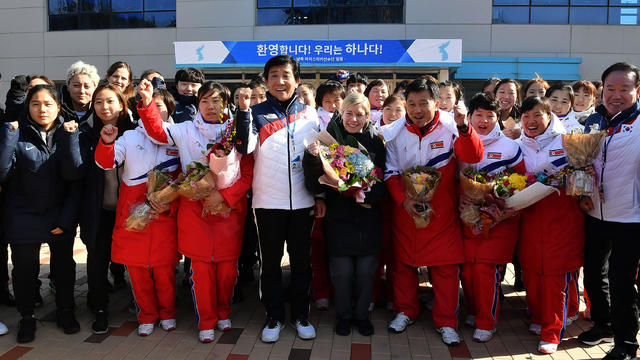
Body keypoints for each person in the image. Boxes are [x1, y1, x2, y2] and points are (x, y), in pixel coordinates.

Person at [139, 79, 253, 343]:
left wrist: (224, 195)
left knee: (227, 272)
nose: (211, 106)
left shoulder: (239, 130)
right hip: (194, 210)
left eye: (217, 100)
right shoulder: (185, 129)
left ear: (226, 103)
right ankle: (207, 320)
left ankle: (224, 312)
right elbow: (157, 132)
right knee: (200, 272)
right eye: (205, 101)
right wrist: (146, 102)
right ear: (197, 104)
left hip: (228, 210)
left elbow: (247, 172)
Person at [383, 78, 483, 346]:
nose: (416, 109)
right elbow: (391, 173)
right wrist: (403, 200)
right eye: (411, 103)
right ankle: (405, 311)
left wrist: (464, 127)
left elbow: (473, 157)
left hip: (443, 213)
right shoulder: (393, 131)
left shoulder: (452, 126)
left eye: (423, 103)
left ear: (436, 103)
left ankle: (447, 322)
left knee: (446, 271)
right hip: (406, 213)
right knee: (403, 266)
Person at [235, 55, 320, 343]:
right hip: (268, 202)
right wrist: (244, 112)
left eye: (286, 75)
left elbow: (321, 160)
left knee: (301, 263)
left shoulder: (311, 114)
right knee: (270, 264)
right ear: (266, 80)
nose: (280, 81)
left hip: (303, 202)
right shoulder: (256, 112)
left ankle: (300, 315)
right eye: (273, 75)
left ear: (297, 80)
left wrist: (319, 195)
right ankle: (273, 317)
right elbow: (244, 148)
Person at [94, 87, 180, 337]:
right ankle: (147, 315)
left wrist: (170, 204)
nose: (153, 108)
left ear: (169, 110)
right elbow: (106, 162)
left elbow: (188, 179)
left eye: (159, 105)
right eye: (147, 103)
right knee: (138, 273)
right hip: (134, 219)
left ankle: (167, 312)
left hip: (165, 217)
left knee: (165, 273)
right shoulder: (129, 137)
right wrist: (108, 142)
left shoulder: (177, 137)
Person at [0, 84, 82, 342]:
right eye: (35, 104)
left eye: (48, 103)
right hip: (23, 215)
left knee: (64, 268)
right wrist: (9, 136)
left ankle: (65, 311)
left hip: (59, 213)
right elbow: (2, 173)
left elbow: (74, 176)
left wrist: (67, 218)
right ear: (28, 107)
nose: (42, 109)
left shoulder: (69, 132)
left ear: (59, 106)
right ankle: (27, 318)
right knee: (24, 269)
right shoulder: (17, 134)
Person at [303, 92, 386, 336]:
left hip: (368, 217)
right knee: (342, 272)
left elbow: (384, 178)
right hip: (339, 218)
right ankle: (343, 316)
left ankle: (362, 316)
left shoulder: (375, 141)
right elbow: (315, 183)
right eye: (349, 113)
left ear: (367, 116)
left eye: (360, 114)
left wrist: (366, 193)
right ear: (341, 113)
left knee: (366, 272)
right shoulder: (329, 139)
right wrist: (312, 158)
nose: (354, 119)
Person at [579, 62, 640, 360]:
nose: (616, 95)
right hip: (594, 213)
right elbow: (582, 163)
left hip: (631, 217)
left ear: (636, 91)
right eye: (610, 89)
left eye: (624, 89)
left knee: (621, 281)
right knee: (592, 275)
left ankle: (627, 343)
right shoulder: (593, 121)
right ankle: (603, 325)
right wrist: (581, 190)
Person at [517, 96, 584, 354]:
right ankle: (537, 317)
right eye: (526, 117)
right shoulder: (516, 144)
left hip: (562, 217)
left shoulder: (569, 141)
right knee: (532, 273)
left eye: (537, 115)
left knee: (555, 277)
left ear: (549, 115)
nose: (531, 122)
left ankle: (552, 331)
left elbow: (587, 171)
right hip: (530, 217)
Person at [459, 93, 525, 343]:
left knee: (487, 273)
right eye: (479, 115)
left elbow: (522, 183)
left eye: (490, 116)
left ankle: (488, 322)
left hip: (498, 222)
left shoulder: (510, 147)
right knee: (468, 271)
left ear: (498, 118)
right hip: (466, 219)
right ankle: (476, 311)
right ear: (469, 117)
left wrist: (504, 208)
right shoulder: (459, 141)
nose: (484, 121)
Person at [77, 84, 137, 334]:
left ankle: (142, 303)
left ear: (122, 104)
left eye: (110, 101)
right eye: (99, 102)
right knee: (97, 259)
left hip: (132, 209)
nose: (104, 107)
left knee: (136, 260)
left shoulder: (135, 133)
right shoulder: (85, 133)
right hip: (99, 209)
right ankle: (99, 308)